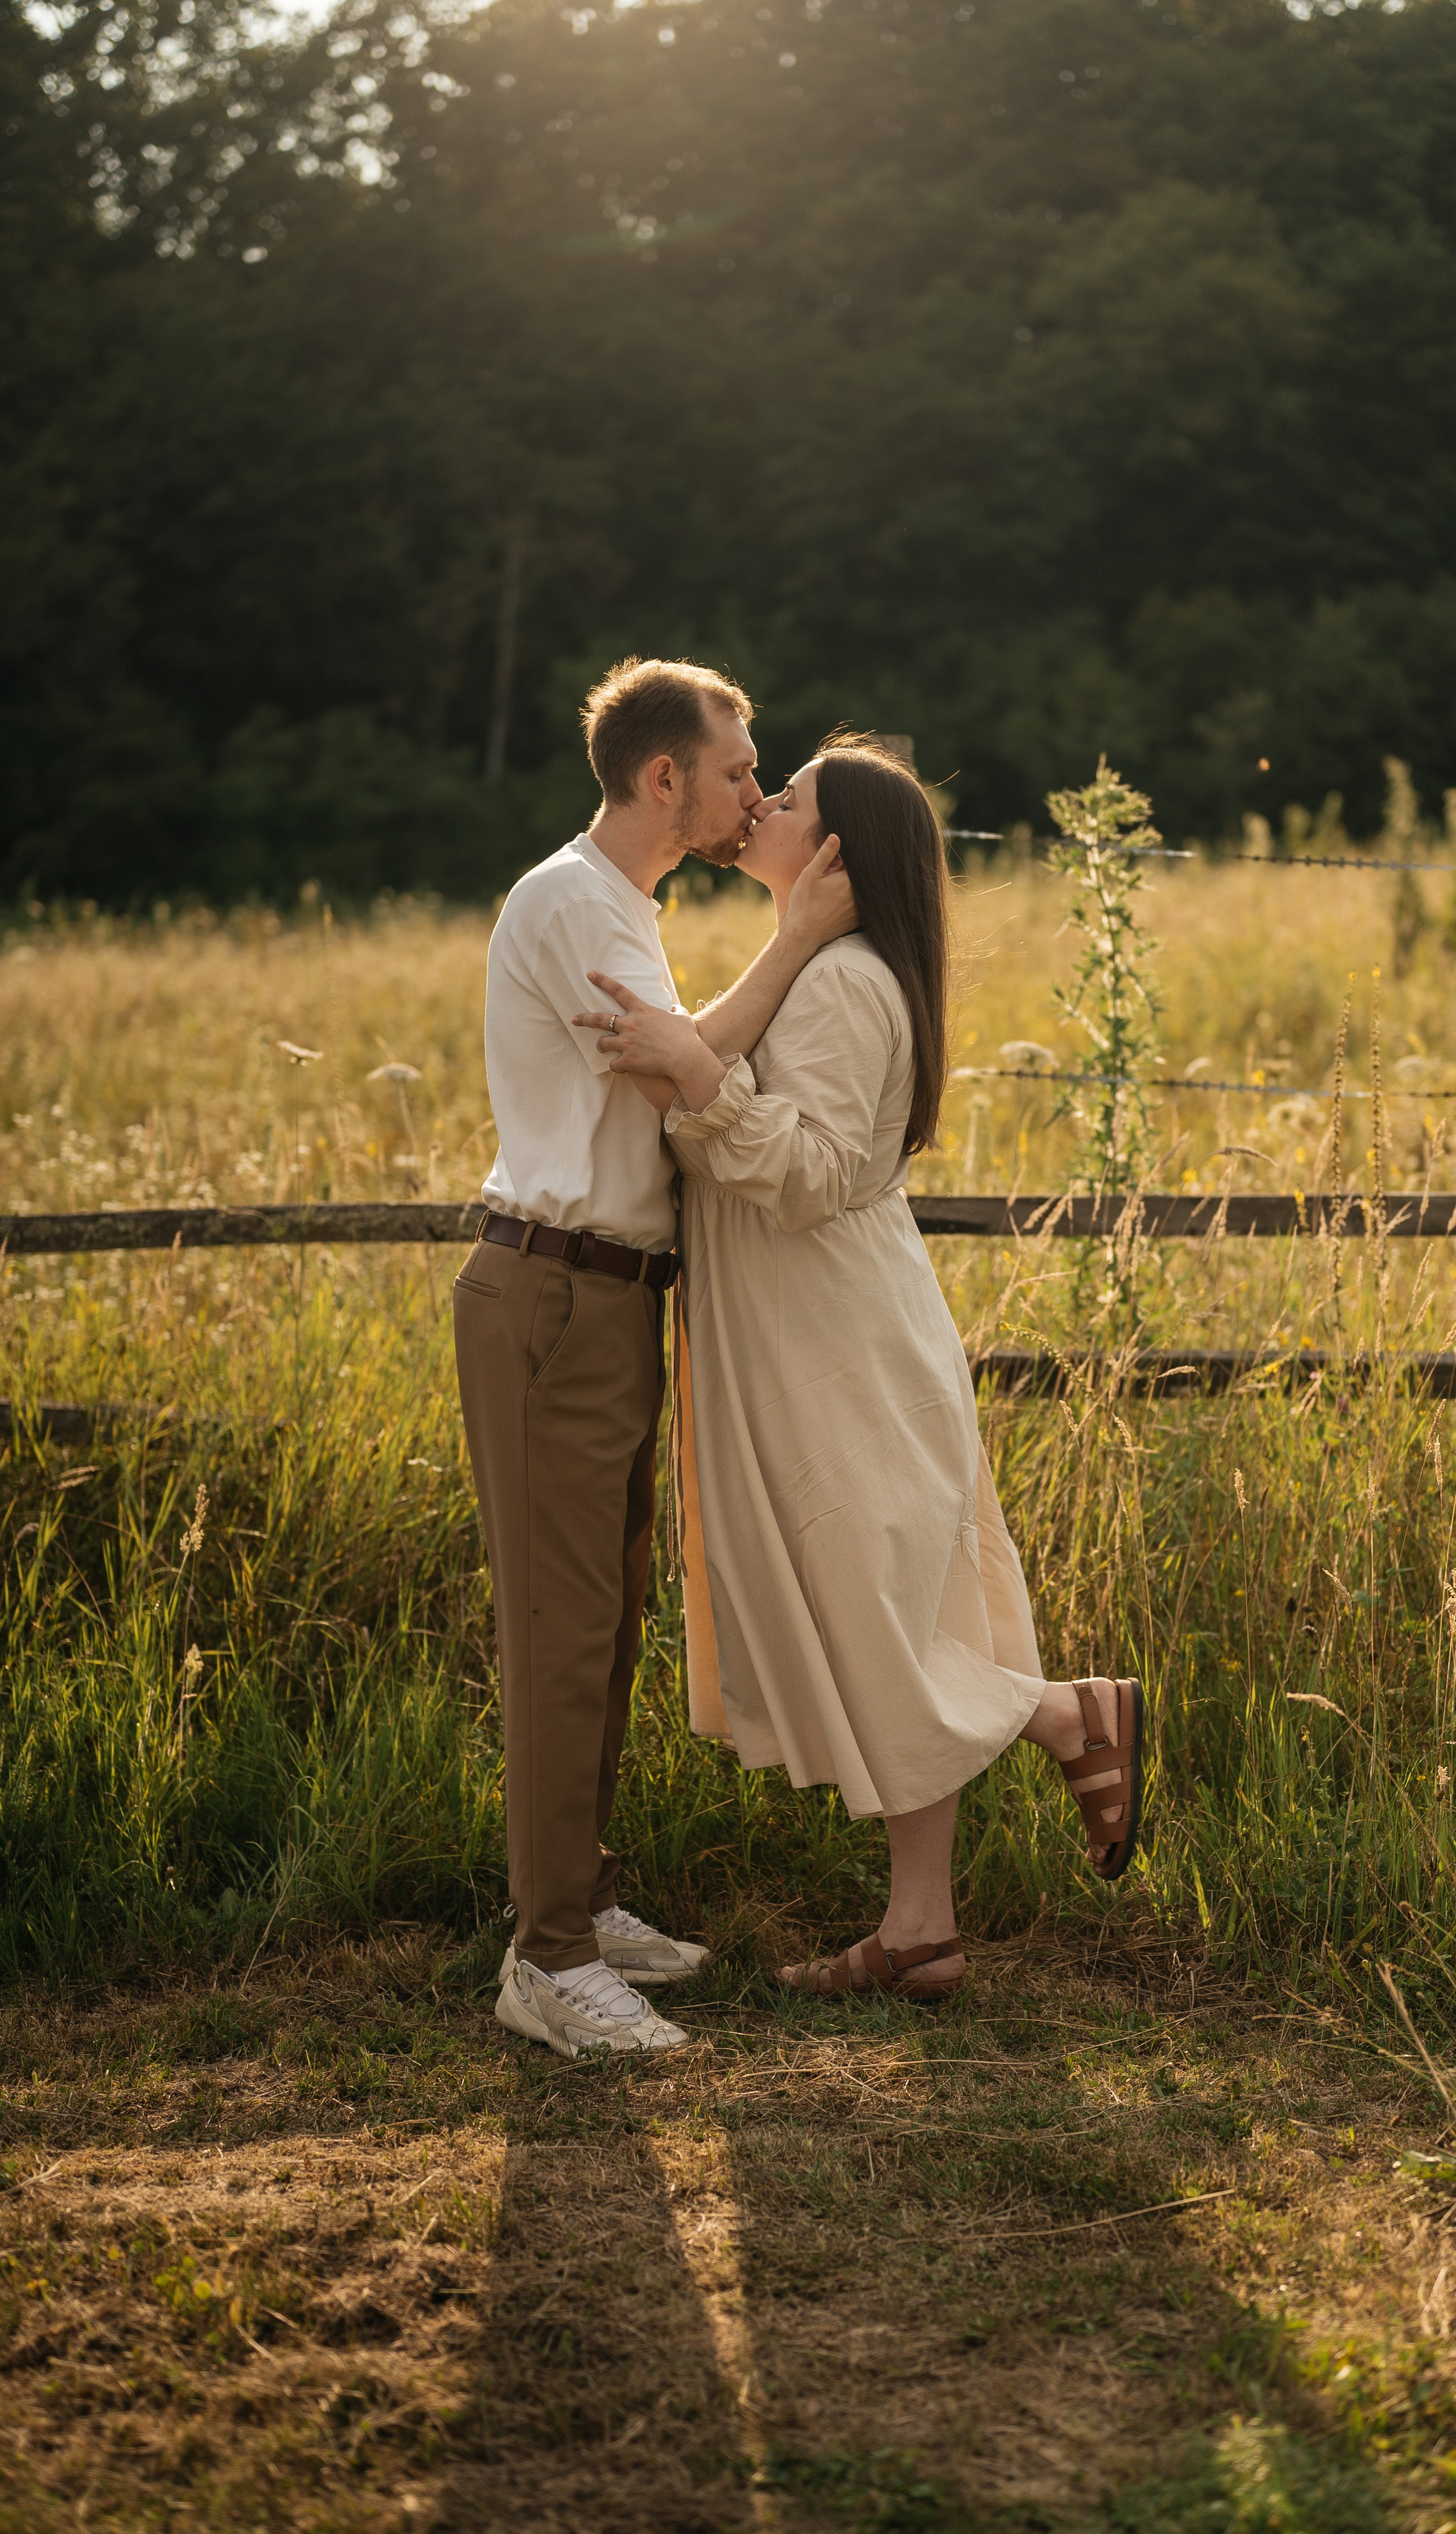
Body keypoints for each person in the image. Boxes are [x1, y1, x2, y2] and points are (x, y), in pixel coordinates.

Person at [573, 736, 1147, 2004]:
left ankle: (1063, 1717)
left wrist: (696, 1078)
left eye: (787, 797)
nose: (760, 804)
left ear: (837, 851)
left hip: (829, 1339)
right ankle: (921, 1929)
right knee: (889, 1608)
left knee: (874, 1615)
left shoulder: (841, 982)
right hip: (822, 1325)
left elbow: (817, 1171)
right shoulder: (823, 967)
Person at [454, 658, 856, 2060]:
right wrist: (797, 939)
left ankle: (575, 1897)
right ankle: (547, 1958)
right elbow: (677, 1065)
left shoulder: (623, 905)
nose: (756, 790)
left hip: (609, 1296)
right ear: (664, 776)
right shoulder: (573, 899)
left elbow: (680, 1062)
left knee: (606, 1620)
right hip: (553, 1293)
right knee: (562, 1630)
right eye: (739, 769)